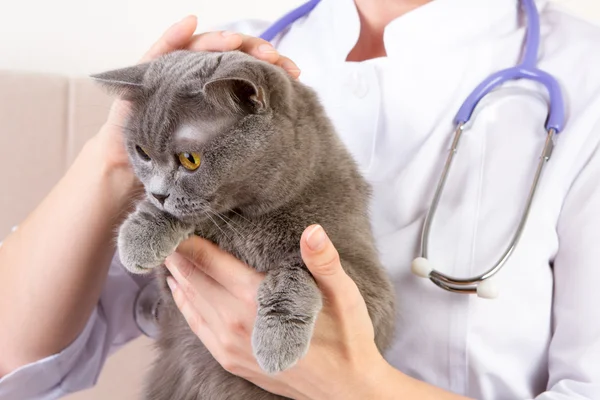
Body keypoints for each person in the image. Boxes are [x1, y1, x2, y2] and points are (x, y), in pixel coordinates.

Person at [1, 0, 600, 398]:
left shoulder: (583, 75)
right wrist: (113, 155)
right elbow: (13, 359)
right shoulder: (237, 54)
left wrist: (358, 384)